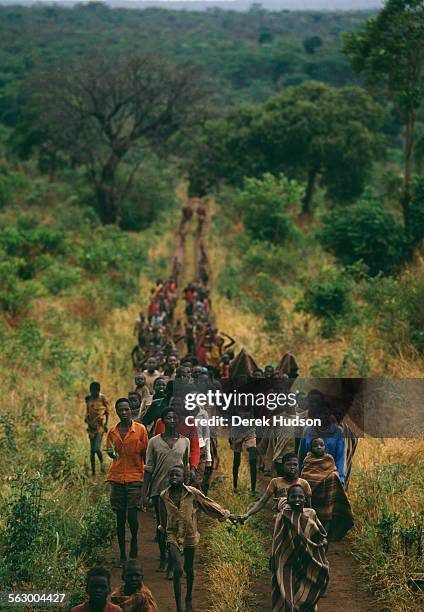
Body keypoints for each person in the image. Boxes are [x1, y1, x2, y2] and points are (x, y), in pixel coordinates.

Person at [159, 465, 238, 612]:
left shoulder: (192, 493)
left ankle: (188, 597)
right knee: (177, 569)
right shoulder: (164, 495)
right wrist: (163, 532)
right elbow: (162, 517)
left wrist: (227, 515)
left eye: (177, 475)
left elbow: (208, 504)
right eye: (171, 475)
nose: (174, 478)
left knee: (189, 568)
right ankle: (178, 607)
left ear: (185, 479)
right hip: (172, 535)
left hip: (190, 534)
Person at [142, 405, 191, 571]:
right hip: (159, 490)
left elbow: (187, 466)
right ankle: (163, 557)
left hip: (179, 492)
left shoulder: (185, 441)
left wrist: (189, 489)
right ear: (162, 421)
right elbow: (148, 468)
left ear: (178, 420)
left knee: (178, 526)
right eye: (168, 418)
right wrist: (145, 494)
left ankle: (172, 561)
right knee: (163, 526)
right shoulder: (154, 442)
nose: (171, 421)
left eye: (174, 418)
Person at [271, 485, 329, 612]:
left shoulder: (310, 513)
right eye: (293, 497)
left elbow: (320, 534)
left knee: (307, 587)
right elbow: (277, 541)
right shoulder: (283, 516)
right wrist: (274, 559)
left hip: (307, 558)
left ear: (305, 499)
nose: (297, 500)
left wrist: (322, 543)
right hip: (287, 559)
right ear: (288, 499)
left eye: (300, 497)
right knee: (287, 590)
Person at [106, 399, 149, 564]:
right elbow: (110, 450)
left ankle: (134, 541)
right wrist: (111, 454)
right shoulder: (112, 432)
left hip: (135, 478)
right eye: (120, 410)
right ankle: (123, 553)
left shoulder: (140, 430)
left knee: (132, 516)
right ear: (116, 412)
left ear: (131, 410)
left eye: (126, 409)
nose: (124, 413)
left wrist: (146, 481)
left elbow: (146, 454)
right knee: (120, 517)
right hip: (116, 478)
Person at [301, 437, 354, 540]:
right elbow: (304, 477)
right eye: (315, 445)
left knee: (327, 517)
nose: (319, 447)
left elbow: (334, 473)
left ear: (325, 447)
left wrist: (334, 478)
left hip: (327, 496)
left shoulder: (329, 459)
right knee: (312, 516)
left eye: (321, 445)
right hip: (313, 498)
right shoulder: (308, 460)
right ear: (311, 448)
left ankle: (325, 538)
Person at [238, 452, 312, 523]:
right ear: (283, 466)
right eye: (289, 464)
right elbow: (262, 502)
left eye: (295, 465)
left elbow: (309, 507)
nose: (292, 467)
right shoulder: (275, 482)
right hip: (282, 519)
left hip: (299, 518)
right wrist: (247, 514)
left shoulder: (304, 483)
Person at [298, 400, 346, 484]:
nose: (322, 416)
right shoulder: (308, 431)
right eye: (319, 413)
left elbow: (340, 457)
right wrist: (298, 476)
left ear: (329, 413)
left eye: (325, 413)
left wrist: (340, 478)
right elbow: (301, 455)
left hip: (329, 476)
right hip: (309, 475)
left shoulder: (338, 432)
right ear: (315, 414)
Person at [85, 382, 109, 477]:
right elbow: (87, 412)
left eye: (96, 391)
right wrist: (88, 421)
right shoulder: (88, 399)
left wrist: (106, 424)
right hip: (91, 427)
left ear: (99, 391)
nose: (94, 393)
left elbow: (107, 412)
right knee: (91, 451)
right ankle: (94, 473)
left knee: (96, 448)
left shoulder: (102, 398)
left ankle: (102, 464)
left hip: (100, 427)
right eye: (92, 391)